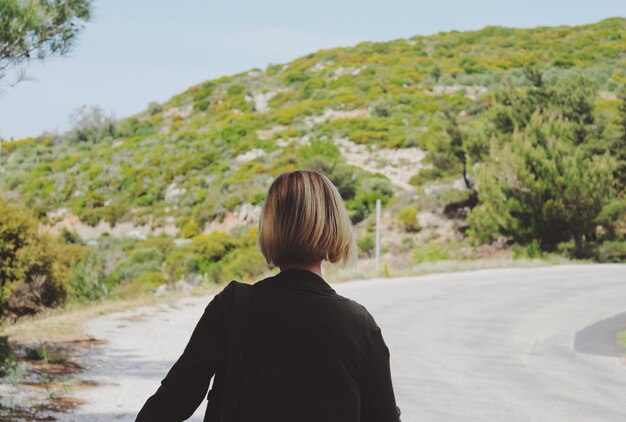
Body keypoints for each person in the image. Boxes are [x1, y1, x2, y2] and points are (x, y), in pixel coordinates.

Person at [136, 170, 400, 421]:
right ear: (334, 225)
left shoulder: (232, 307)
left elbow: (173, 401)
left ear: (271, 226)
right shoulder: (359, 325)